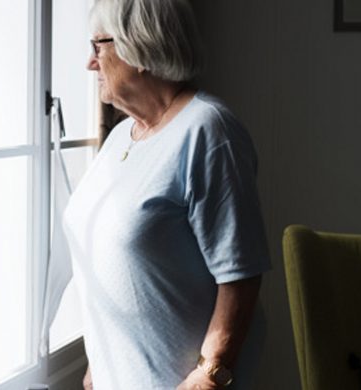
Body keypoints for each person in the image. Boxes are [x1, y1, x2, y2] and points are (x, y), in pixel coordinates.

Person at [61, 0, 272, 389]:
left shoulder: (208, 130)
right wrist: (99, 364)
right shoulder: (124, 134)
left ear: (137, 47)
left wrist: (211, 372)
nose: (90, 64)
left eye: (98, 47)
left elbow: (241, 274)